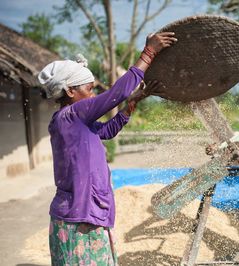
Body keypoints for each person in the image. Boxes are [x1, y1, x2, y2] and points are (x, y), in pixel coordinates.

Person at [38, 32, 177, 265]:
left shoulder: (72, 121)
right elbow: (116, 94)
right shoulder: (71, 116)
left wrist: (134, 101)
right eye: (89, 89)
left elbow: (108, 131)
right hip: (78, 217)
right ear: (70, 91)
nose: (92, 95)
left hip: (82, 212)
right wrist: (149, 52)